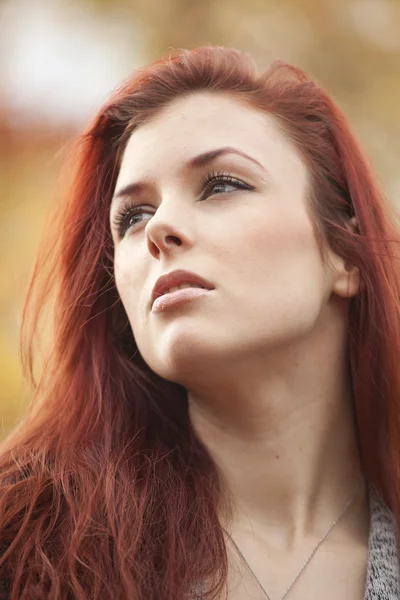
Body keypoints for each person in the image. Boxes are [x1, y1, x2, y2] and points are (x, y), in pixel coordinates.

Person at [0, 45, 399, 600]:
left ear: (346, 253)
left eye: (221, 185)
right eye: (133, 216)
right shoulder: (23, 550)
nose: (160, 228)